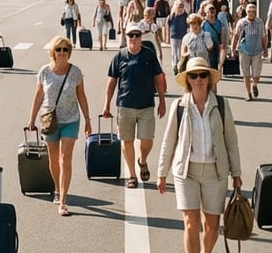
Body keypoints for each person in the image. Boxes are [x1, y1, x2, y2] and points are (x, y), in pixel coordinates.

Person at [157, 57, 242, 253]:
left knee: (213, 225)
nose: (198, 80)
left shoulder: (222, 105)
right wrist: (162, 173)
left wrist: (236, 173)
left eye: (202, 75)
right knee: (191, 224)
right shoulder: (180, 106)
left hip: (216, 172)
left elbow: (231, 142)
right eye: (193, 76)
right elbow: (169, 140)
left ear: (209, 79)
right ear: (187, 80)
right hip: (187, 171)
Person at [26, 36, 92, 216]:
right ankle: (57, 187)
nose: (62, 53)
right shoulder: (44, 72)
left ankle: (63, 200)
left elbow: (82, 96)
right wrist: (31, 119)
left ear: (69, 52)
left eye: (65, 49)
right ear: (53, 52)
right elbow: (38, 96)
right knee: (53, 159)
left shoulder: (76, 72)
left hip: (71, 119)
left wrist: (87, 119)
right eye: (58, 49)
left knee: (65, 158)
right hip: (49, 120)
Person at [104, 22, 168, 189]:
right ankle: (132, 175)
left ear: (141, 37)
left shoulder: (148, 55)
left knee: (147, 140)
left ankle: (143, 160)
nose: (133, 38)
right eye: (130, 35)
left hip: (146, 105)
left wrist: (162, 100)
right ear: (126, 37)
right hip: (125, 106)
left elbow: (158, 78)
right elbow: (111, 83)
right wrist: (107, 105)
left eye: (137, 35)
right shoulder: (119, 56)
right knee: (127, 141)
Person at [232, 3, 267, 101]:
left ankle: (254, 85)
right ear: (246, 12)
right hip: (244, 50)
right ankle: (248, 93)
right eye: (249, 12)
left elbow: (263, 36)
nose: (251, 13)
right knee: (246, 73)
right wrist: (233, 49)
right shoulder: (241, 22)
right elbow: (235, 36)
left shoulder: (260, 22)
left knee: (256, 72)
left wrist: (265, 50)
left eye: (253, 12)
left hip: (257, 50)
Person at [201, 4, 230, 71]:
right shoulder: (204, 23)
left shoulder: (219, 22)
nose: (211, 12)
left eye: (213, 10)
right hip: (207, 46)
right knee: (209, 62)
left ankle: (218, 70)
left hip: (217, 44)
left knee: (215, 62)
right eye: (210, 11)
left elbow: (223, 33)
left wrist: (223, 43)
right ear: (206, 12)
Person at [168, 0, 190, 73]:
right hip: (174, 35)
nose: (181, 7)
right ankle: (174, 66)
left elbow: (187, 25)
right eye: (179, 6)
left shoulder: (185, 15)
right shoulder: (172, 15)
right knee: (174, 52)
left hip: (183, 35)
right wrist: (167, 36)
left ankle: (180, 66)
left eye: (182, 6)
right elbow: (168, 25)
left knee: (181, 52)